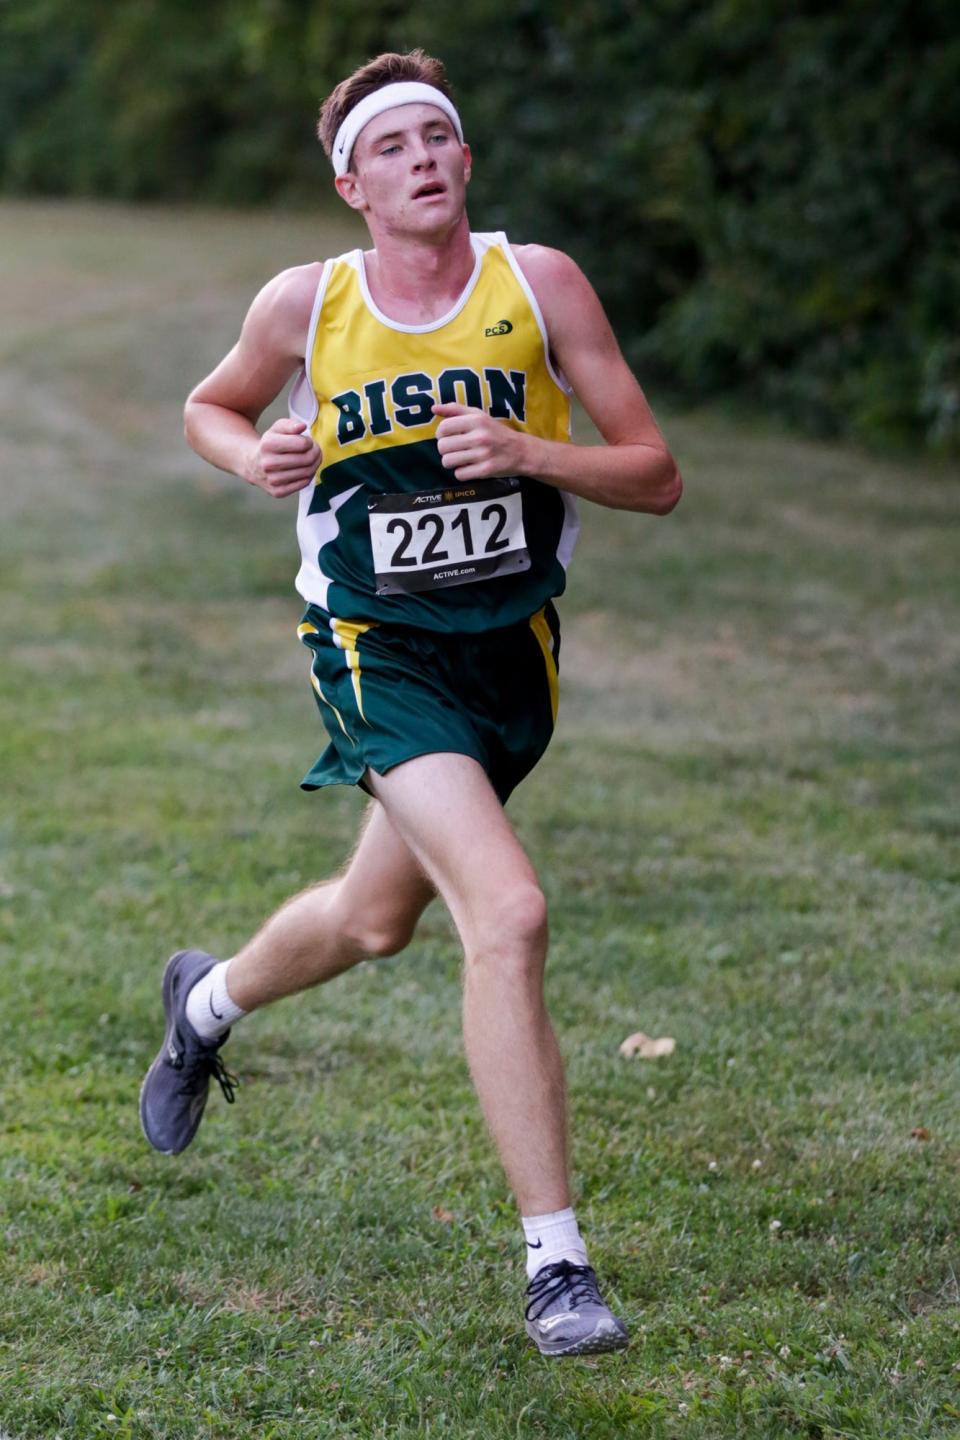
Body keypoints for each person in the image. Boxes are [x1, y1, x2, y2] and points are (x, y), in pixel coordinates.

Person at [139, 49, 681, 1357]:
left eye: (441, 136)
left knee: (378, 919)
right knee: (510, 910)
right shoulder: (307, 304)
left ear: (467, 165)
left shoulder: (536, 284)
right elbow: (211, 408)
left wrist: (529, 450)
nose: (425, 156)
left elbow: (655, 472)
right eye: (394, 146)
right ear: (351, 184)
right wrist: (253, 452)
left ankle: (204, 1006)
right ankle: (557, 1267)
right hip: (376, 649)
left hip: (509, 659)